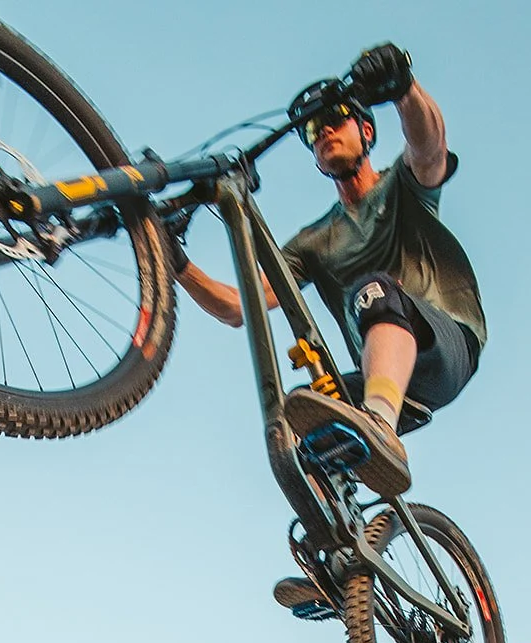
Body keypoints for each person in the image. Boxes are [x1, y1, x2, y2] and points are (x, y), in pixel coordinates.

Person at [169, 43, 486, 612]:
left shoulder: (403, 186)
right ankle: (336, 563)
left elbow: (431, 145)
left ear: (367, 132)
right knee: (295, 417)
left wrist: (403, 90)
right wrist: (178, 265)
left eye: (336, 121)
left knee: (374, 291)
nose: (324, 133)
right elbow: (239, 306)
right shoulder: (314, 241)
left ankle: (381, 434)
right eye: (313, 131)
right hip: (380, 367)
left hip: (446, 347)